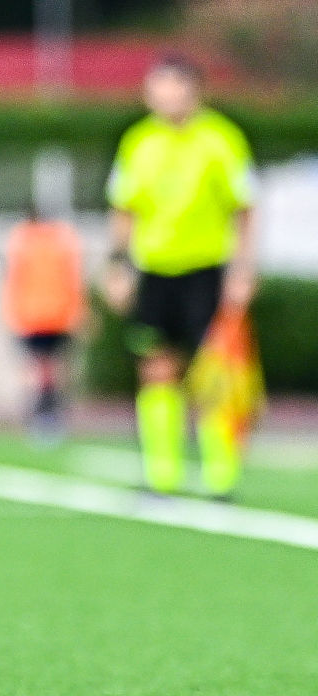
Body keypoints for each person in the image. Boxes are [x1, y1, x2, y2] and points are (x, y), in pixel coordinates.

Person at [104, 54, 256, 498]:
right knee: (155, 366)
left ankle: (220, 475)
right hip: (155, 270)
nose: (167, 97)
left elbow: (244, 208)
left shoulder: (222, 139)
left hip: (205, 270)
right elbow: (124, 209)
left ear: (195, 91)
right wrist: (119, 265)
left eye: (176, 87)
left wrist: (242, 269)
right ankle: (161, 475)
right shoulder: (137, 141)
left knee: (213, 372)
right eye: (159, 88)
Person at [3, 206, 84, 443]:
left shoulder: (22, 241)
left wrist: (12, 313)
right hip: (57, 314)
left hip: (31, 315)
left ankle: (37, 412)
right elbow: (73, 280)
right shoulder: (62, 241)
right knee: (54, 366)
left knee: (35, 366)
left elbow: (14, 280)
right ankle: (52, 412)